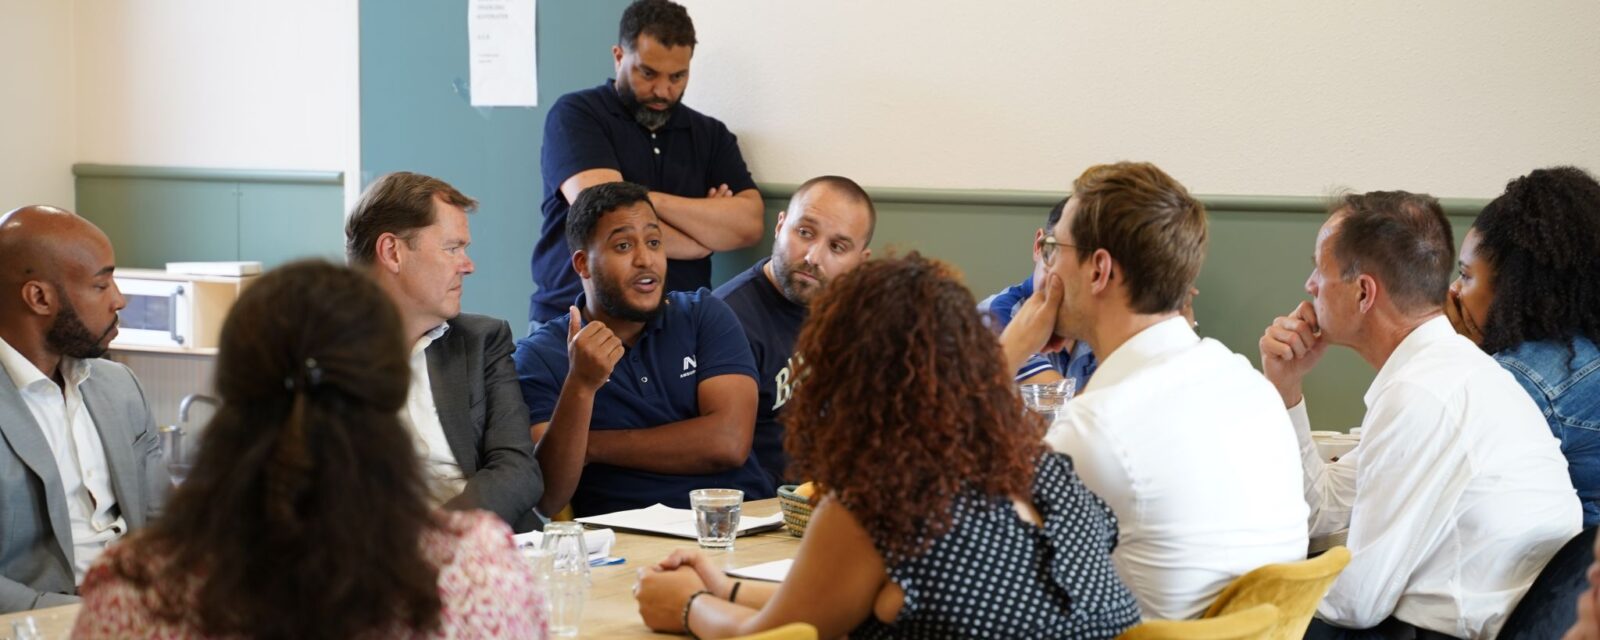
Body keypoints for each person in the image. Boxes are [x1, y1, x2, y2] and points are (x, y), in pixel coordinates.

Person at [635, 253, 1142, 638]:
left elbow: (776, 636)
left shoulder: (883, 505)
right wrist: (724, 587)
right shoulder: (1048, 471)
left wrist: (689, 606)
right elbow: (827, 603)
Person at [71, 261, 546, 639]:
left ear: (230, 392)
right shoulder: (475, 570)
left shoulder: (134, 586)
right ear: (391, 388)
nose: (467, 263)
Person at [1259, 190, 1579, 638]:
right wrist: (1286, 387)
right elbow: (1323, 508)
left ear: (1363, 291)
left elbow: (1357, 603)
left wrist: (1248, 587)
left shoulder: (1423, 393)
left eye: (1320, 269)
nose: (1310, 285)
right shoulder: (1447, 371)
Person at [1000, 162, 1309, 620]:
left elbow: (987, 559)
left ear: (1099, 270)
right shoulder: (1249, 384)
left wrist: (1007, 351)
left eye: (1053, 249)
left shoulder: (1095, 428)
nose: (1046, 264)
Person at [515, 181, 770, 517]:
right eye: (623, 246)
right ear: (583, 264)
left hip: (744, 522)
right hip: (628, 542)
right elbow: (548, 497)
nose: (645, 260)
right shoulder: (540, 356)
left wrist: (590, 446)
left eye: (654, 242)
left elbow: (728, 442)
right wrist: (580, 386)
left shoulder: (702, 314)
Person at [528, 0, 762, 327]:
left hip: (679, 325)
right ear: (619, 56)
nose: (663, 91)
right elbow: (606, 216)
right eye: (648, 73)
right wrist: (701, 239)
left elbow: (749, 224)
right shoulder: (577, 115)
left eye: (678, 76)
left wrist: (641, 196)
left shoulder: (710, 135)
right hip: (577, 320)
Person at [345, 171, 543, 531]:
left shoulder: (482, 340)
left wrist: (436, 536)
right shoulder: (322, 355)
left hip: (483, 546)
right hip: (378, 562)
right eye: (453, 248)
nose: (468, 265)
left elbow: (518, 469)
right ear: (392, 252)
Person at [0, 205, 166, 613]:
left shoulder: (120, 387)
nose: (120, 300)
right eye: (101, 284)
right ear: (39, 297)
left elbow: (164, 520)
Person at [1445, 166, 1600, 527]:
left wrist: (1463, 358)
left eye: (1466, 275)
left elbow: (1448, 491)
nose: (1453, 290)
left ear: (1514, 286)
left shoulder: (1525, 381)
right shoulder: (1582, 353)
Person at [713, 175, 875, 486]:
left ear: (860, 262)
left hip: (834, 500)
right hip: (762, 510)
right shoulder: (727, 317)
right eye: (804, 232)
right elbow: (726, 459)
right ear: (780, 226)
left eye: (837, 247)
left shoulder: (857, 317)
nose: (813, 257)